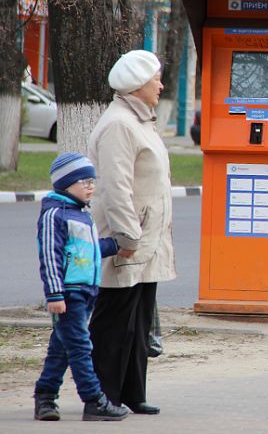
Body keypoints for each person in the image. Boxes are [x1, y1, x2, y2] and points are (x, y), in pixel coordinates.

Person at [87, 49, 176, 416]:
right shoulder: (119, 125)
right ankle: (100, 398)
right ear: (138, 84)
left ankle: (131, 392)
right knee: (114, 322)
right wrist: (126, 236)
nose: (161, 85)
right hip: (129, 239)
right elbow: (115, 187)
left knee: (138, 321)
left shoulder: (140, 121)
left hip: (147, 238)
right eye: (156, 79)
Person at [33, 153, 129, 422]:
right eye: (84, 181)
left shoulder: (82, 215)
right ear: (66, 183)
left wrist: (115, 246)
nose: (91, 187)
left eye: (92, 181)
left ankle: (45, 397)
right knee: (80, 347)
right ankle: (94, 400)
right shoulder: (55, 215)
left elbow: (89, 249)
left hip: (86, 293)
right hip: (68, 293)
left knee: (62, 348)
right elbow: (50, 256)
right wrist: (54, 294)